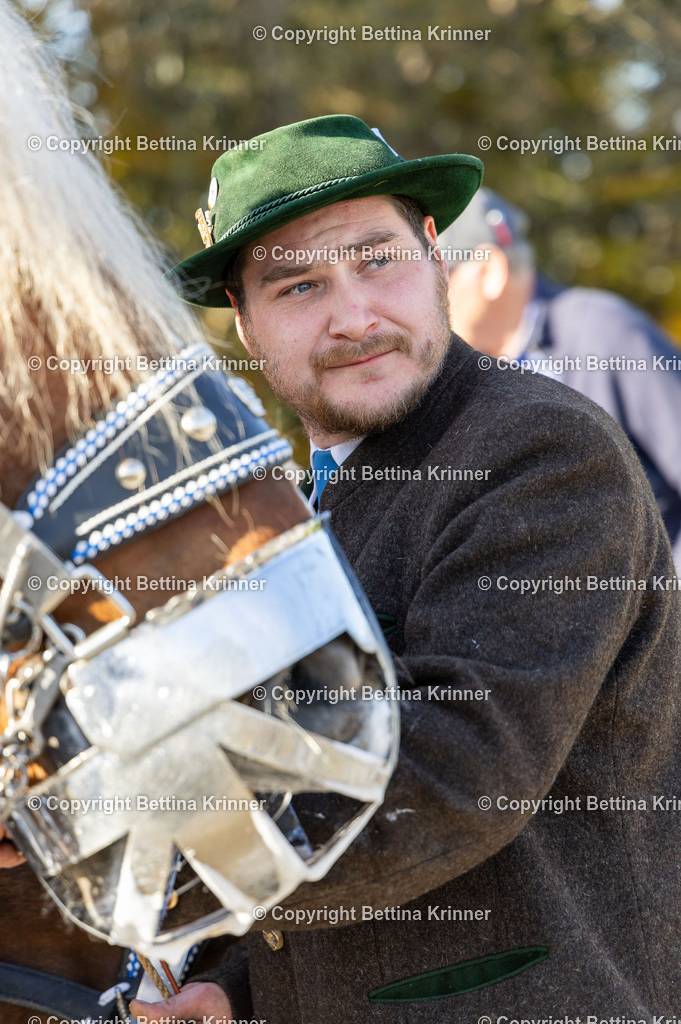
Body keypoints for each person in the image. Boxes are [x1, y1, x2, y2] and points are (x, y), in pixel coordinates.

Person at [136, 115, 680, 1023]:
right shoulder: (299, 506)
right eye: (299, 283)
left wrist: (123, 836)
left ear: (434, 255)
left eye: (376, 258)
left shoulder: (537, 450)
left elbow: (445, 782)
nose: (354, 314)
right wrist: (237, 988)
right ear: (245, 321)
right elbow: (300, 766)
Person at [437, 187, 681, 570]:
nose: (424, 300)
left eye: (440, 277)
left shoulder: (603, 331)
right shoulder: (459, 384)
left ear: (490, 272)